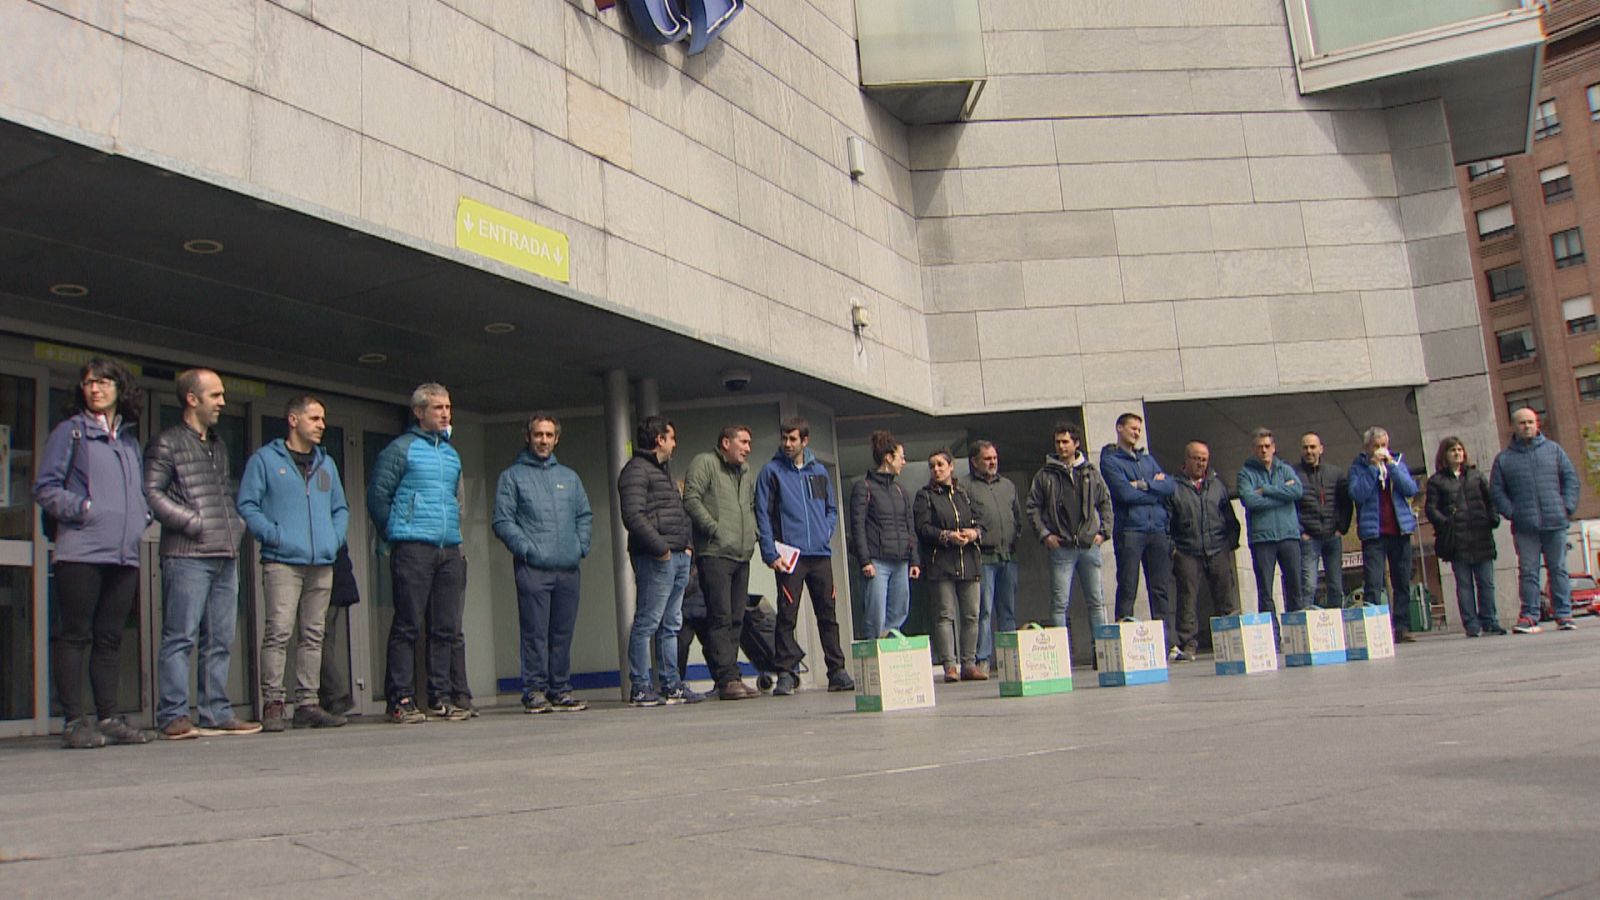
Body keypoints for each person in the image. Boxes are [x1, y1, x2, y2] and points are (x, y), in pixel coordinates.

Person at [35, 357, 152, 748]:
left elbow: (137, 492)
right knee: (74, 636)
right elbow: (46, 488)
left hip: (123, 554)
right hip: (81, 551)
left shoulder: (129, 442)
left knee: (110, 638)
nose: (95, 388)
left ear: (120, 388)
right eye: (88, 383)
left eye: (103, 382)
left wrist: (141, 515)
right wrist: (85, 509)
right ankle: (73, 721)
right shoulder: (71, 432)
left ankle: (107, 717)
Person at [145, 368, 260, 738]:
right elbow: (150, 493)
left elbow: (222, 492)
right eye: (215, 395)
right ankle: (173, 716)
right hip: (186, 555)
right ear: (192, 399)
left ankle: (216, 711)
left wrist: (235, 524)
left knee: (220, 639)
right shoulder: (167, 443)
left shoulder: (217, 445)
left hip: (224, 554)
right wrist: (192, 522)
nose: (223, 402)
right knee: (180, 637)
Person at [237, 395, 350, 731]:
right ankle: (273, 703)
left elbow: (340, 508)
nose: (321, 425)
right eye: (314, 418)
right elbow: (247, 504)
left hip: (322, 561)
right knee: (279, 631)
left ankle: (307, 703)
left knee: (314, 634)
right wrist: (273, 536)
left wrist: (333, 539)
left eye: (323, 419)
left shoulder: (326, 464)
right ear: (293, 419)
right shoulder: (265, 460)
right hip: (282, 561)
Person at [368, 383, 470, 723]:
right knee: (407, 624)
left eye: (448, 407)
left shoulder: (451, 454)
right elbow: (378, 496)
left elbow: (455, 500)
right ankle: (401, 698)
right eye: (438, 408)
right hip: (413, 547)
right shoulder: (401, 449)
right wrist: (397, 532)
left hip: (448, 548)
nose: (445, 414)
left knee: (444, 627)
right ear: (419, 412)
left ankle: (440, 696)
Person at [492, 413, 594, 713]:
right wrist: (528, 550)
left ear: (557, 439)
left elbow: (584, 516)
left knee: (562, 634)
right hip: (533, 569)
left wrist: (580, 547)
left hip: (568, 569)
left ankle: (560, 689)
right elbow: (502, 521)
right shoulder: (512, 477)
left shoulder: (570, 478)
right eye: (538, 435)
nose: (544, 440)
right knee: (535, 633)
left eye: (549, 435)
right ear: (528, 437)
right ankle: (534, 691)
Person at [755, 417, 854, 695]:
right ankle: (786, 674)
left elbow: (830, 509)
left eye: (793, 439)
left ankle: (837, 671)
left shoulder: (818, 471)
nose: (787, 444)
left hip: (820, 554)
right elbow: (762, 515)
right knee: (787, 616)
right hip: (790, 556)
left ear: (805, 441)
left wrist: (825, 531)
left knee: (828, 614)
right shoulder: (771, 472)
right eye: (784, 438)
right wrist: (770, 552)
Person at [618, 415, 703, 706]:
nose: (675, 444)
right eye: (672, 438)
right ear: (659, 439)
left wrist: (687, 547)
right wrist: (661, 549)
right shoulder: (636, 471)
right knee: (648, 622)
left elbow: (679, 512)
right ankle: (641, 686)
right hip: (657, 558)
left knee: (671, 624)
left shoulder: (662, 471)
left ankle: (671, 684)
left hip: (677, 556)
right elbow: (633, 515)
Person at [681, 425, 760, 701]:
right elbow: (691, 499)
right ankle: (726, 678)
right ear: (726, 442)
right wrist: (714, 529)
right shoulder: (705, 463)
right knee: (720, 617)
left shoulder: (746, 471)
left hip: (741, 554)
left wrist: (753, 534)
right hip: (715, 553)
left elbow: (751, 505)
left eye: (749, 443)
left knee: (737, 618)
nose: (748, 448)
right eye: (743, 442)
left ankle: (730, 676)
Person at [1490, 407, 1582, 634]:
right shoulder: (1504, 459)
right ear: (1514, 426)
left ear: (1537, 423)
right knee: (1528, 571)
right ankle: (1530, 616)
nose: (1527, 426)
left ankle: (1564, 614)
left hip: (1555, 522)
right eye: (1522, 423)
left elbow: (1571, 479)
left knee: (1558, 569)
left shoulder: (1554, 451)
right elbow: (1497, 492)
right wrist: (1513, 512)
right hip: (1525, 526)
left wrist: (1566, 507)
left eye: (1530, 422)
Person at [1025, 422, 1111, 645]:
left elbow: (1105, 502)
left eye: (1065, 442)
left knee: (1096, 601)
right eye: (1058, 442)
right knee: (1059, 603)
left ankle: (1101, 650)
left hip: (1088, 544)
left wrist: (1103, 533)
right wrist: (1045, 535)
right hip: (1061, 547)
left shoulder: (1091, 472)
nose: (1061, 446)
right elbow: (1032, 507)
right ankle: (1060, 653)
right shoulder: (1045, 474)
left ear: (1076, 443)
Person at [1099, 412, 1177, 653]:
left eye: (1139, 430)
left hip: (1157, 530)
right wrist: (1155, 489)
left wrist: (1144, 485)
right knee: (1128, 585)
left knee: (1160, 588)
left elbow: (1170, 486)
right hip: (1130, 530)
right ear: (1119, 428)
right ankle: (1124, 641)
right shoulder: (1111, 461)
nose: (1136, 433)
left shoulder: (1147, 459)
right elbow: (1124, 494)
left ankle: (1168, 644)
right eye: (1132, 428)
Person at [915, 449, 988, 682]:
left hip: (968, 561)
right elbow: (923, 528)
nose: (936, 469)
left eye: (940, 465)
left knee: (971, 615)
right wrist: (946, 536)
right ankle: (949, 666)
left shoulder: (964, 493)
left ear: (951, 466)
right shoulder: (925, 496)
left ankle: (969, 663)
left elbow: (982, 521)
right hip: (941, 562)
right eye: (932, 466)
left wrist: (974, 533)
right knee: (945, 615)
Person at [1167, 440, 1241, 660]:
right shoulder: (1173, 487)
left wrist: (1230, 543)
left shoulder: (1217, 485)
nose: (1201, 463)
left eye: (1204, 459)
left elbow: (1229, 518)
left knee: (1225, 597)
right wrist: (1173, 549)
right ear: (1187, 459)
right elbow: (1167, 521)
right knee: (1187, 599)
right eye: (1197, 459)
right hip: (1187, 550)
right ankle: (1188, 644)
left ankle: (1229, 640)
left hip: (1217, 548)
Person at [1347, 426, 1419, 643]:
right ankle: (1375, 628)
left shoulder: (1397, 463)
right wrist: (1372, 469)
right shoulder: (1358, 468)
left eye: (1384, 445)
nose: (1381, 450)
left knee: (1402, 581)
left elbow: (1411, 489)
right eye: (1376, 446)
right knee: (1373, 582)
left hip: (1399, 530)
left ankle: (1402, 627)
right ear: (1367, 448)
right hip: (1374, 533)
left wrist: (1392, 468)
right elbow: (1357, 494)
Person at [1426, 437, 1503, 637]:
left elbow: (1490, 501)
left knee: (1486, 583)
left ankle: (1490, 620)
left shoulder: (1476, 476)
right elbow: (1431, 509)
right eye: (1453, 450)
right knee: (1464, 585)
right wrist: (1445, 522)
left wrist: (1493, 518)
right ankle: (1471, 624)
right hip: (1457, 540)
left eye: (1460, 449)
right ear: (1444, 454)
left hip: (1481, 536)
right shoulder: (1437, 481)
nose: (1457, 453)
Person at [849, 430, 920, 639]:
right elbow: (857, 526)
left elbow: (909, 526)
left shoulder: (900, 491)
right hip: (876, 562)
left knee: (899, 613)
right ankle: (874, 654)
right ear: (888, 458)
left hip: (901, 561)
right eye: (901, 457)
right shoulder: (864, 487)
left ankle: (892, 652)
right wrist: (864, 560)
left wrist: (914, 560)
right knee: (875, 616)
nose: (904, 462)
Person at [1237, 427, 1304, 642]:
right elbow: (1249, 500)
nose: (1264, 450)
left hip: (1289, 536)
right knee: (1265, 590)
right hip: (1262, 539)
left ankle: (1297, 636)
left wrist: (1266, 490)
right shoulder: (1245, 473)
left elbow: (1297, 491)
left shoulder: (1285, 469)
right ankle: (1272, 638)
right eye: (1260, 447)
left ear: (1274, 447)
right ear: (1253, 449)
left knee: (1295, 587)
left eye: (1267, 446)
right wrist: (1282, 495)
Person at [966, 440, 1022, 675]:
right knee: (984, 610)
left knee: (1007, 610)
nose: (992, 462)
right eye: (987, 459)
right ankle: (983, 659)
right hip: (983, 558)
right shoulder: (966, 487)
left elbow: (1017, 517)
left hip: (1008, 556)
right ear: (975, 462)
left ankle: (1010, 658)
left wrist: (1014, 537)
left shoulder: (1007, 485)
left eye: (994, 458)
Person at [1294, 432, 1350, 609]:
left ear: (1321, 449)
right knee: (1308, 586)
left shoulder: (1336, 474)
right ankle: (1307, 622)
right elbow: (1290, 506)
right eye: (1305, 447)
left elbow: (1346, 502)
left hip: (1332, 537)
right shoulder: (1293, 475)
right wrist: (1300, 531)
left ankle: (1337, 622)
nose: (1309, 451)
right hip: (1308, 539)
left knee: (1336, 586)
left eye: (1313, 447)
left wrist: (1342, 528)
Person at [317, 545, 360, 715]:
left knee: (316, 640)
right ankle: (328, 698)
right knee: (323, 639)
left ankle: (335, 694)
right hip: (335, 572)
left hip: (326, 572)